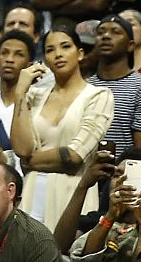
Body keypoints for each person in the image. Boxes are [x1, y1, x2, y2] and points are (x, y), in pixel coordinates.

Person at [8, 29, 113, 228]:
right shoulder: (34, 95)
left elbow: (74, 156)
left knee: (66, 257)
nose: (58, 54)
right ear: (45, 59)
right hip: (30, 197)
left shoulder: (99, 96)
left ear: (80, 53)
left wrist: (30, 162)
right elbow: (22, 150)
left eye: (65, 47)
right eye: (50, 50)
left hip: (73, 196)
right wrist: (20, 92)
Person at [85, 14, 141, 154]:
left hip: (122, 172)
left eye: (115, 32)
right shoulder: (84, 87)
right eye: (100, 32)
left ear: (130, 45)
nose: (105, 36)